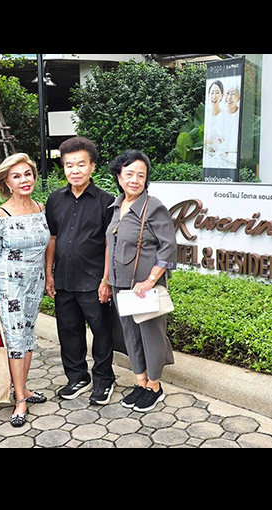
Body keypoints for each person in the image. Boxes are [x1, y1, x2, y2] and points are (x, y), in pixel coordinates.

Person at [45, 137, 116, 405]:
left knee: (101, 332)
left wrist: (106, 279)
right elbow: (52, 238)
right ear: (63, 168)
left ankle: (104, 380)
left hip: (93, 281)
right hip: (63, 279)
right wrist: (49, 274)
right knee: (68, 331)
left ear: (92, 166)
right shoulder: (55, 199)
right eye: (69, 165)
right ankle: (77, 378)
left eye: (81, 164)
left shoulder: (106, 201)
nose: (75, 170)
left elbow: (110, 243)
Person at [106, 150, 177, 412]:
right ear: (119, 177)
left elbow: (168, 248)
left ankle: (155, 386)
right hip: (120, 284)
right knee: (130, 334)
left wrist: (150, 281)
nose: (134, 180)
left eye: (141, 175)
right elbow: (111, 244)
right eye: (129, 174)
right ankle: (140, 382)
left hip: (144, 286)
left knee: (150, 335)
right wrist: (107, 280)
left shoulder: (153, 207)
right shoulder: (116, 206)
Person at [0, 153, 49, 427]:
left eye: (28, 174)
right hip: (9, 285)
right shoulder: (1, 215)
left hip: (35, 283)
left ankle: (22, 387)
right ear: (7, 182)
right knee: (14, 339)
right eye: (17, 176)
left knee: (28, 336)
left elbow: (48, 244)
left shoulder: (40, 208)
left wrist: (48, 276)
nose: (24, 180)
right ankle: (20, 399)